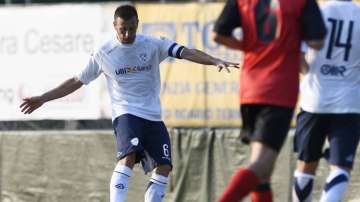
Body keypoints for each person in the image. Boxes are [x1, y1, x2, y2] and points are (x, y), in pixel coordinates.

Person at [19, 4, 239, 202]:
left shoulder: (152, 44)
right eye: (122, 29)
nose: (127, 34)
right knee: (128, 156)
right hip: (126, 113)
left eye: (131, 29)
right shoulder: (104, 53)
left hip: (153, 116)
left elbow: (184, 51)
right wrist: (42, 98)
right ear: (114, 25)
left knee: (164, 166)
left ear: (137, 25)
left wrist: (214, 60)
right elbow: (77, 81)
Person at [212, 0, 327, 201]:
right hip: (279, 90)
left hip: (250, 87)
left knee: (263, 173)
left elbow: (218, 34)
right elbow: (316, 41)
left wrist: (248, 46)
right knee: (261, 165)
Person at [292, 1, 360, 201]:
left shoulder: (318, 12)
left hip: (314, 100)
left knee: (305, 165)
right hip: (350, 103)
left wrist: (311, 74)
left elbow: (296, 53)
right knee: (340, 168)